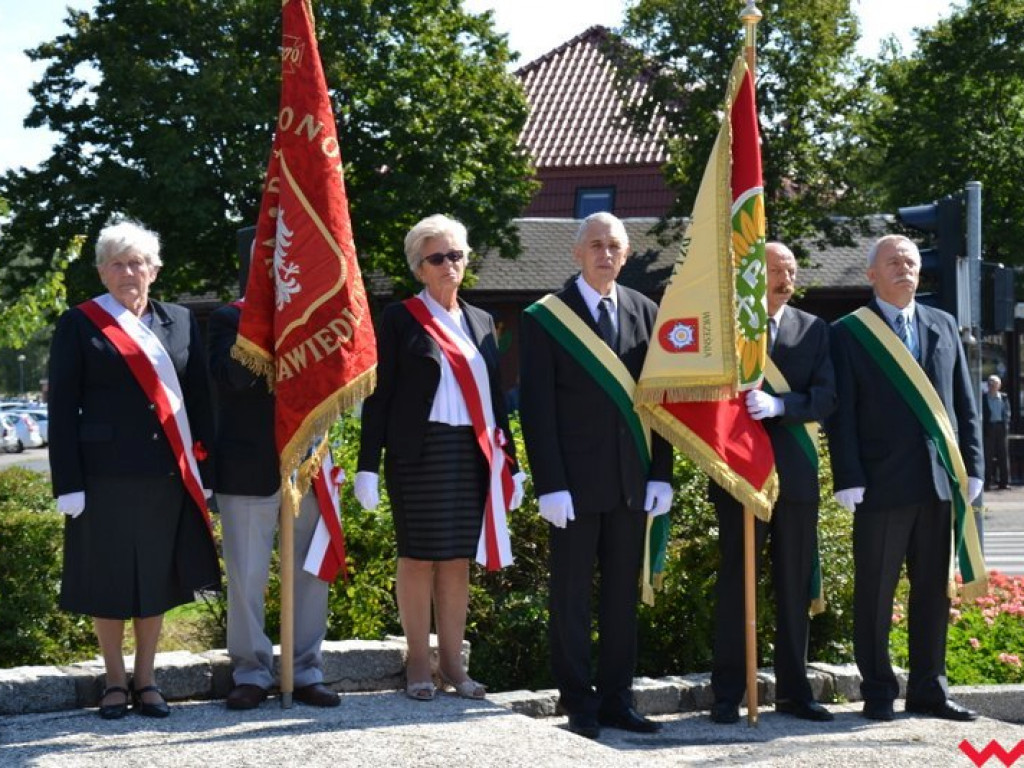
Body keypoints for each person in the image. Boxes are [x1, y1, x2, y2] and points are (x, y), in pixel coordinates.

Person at [47, 220, 220, 720]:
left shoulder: (182, 322)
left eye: (137, 263)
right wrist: (69, 482)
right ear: (102, 272)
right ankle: (114, 681)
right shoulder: (79, 324)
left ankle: (147, 680)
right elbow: (62, 409)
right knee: (108, 577)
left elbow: (200, 401)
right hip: (103, 478)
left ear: (154, 270)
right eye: (118, 264)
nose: (128, 272)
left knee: (154, 579)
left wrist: (206, 467)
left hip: (166, 474)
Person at [354, 214, 525, 702]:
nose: (449, 265)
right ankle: (417, 666)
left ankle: (454, 666)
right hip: (418, 453)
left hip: (469, 454)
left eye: (456, 255)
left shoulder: (480, 321)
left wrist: (510, 465)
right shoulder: (399, 319)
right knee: (418, 558)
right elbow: (379, 397)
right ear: (419, 268)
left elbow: (496, 397)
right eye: (437, 258)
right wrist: (368, 464)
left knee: (455, 560)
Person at [518, 212, 674, 739]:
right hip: (574, 488)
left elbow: (660, 402)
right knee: (571, 596)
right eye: (595, 245)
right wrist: (550, 484)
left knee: (620, 599)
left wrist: (662, 473)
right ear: (576, 254)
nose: (605, 254)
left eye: (614, 246)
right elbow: (537, 410)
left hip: (633, 481)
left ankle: (616, 700)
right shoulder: (545, 318)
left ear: (626, 255)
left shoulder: (646, 312)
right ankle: (577, 702)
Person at [827, 234, 984, 723]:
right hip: (879, 485)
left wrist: (974, 465)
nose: (904, 269)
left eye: (911, 262)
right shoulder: (850, 332)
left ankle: (929, 691)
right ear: (871, 274)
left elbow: (964, 402)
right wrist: (847, 475)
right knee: (875, 593)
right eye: (893, 262)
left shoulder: (943, 324)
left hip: (939, 484)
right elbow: (842, 413)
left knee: (934, 592)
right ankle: (877, 691)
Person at [708, 242, 836, 725]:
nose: (786, 279)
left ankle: (794, 693)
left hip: (795, 476)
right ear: (754, 277)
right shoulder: (731, 329)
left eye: (792, 271)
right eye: (776, 271)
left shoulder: (814, 330)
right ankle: (727, 692)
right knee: (737, 585)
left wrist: (783, 407)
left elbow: (827, 397)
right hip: (740, 476)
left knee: (793, 584)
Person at [208, 299, 340, 710]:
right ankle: (251, 672)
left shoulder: (316, 312)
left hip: (306, 463)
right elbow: (233, 378)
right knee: (247, 577)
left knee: (309, 574)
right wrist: (269, 323)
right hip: (246, 467)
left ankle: (304, 671)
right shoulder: (227, 319)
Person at [982, 374, 1011, 490]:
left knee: (1003, 456)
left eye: (994, 384)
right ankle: (987, 482)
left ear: (999, 386)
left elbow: (1007, 412)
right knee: (987, 456)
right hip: (989, 428)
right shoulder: (983, 398)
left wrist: (1006, 424)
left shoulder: (1004, 397)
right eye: (990, 384)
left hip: (1001, 428)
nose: (992, 386)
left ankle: (1004, 482)